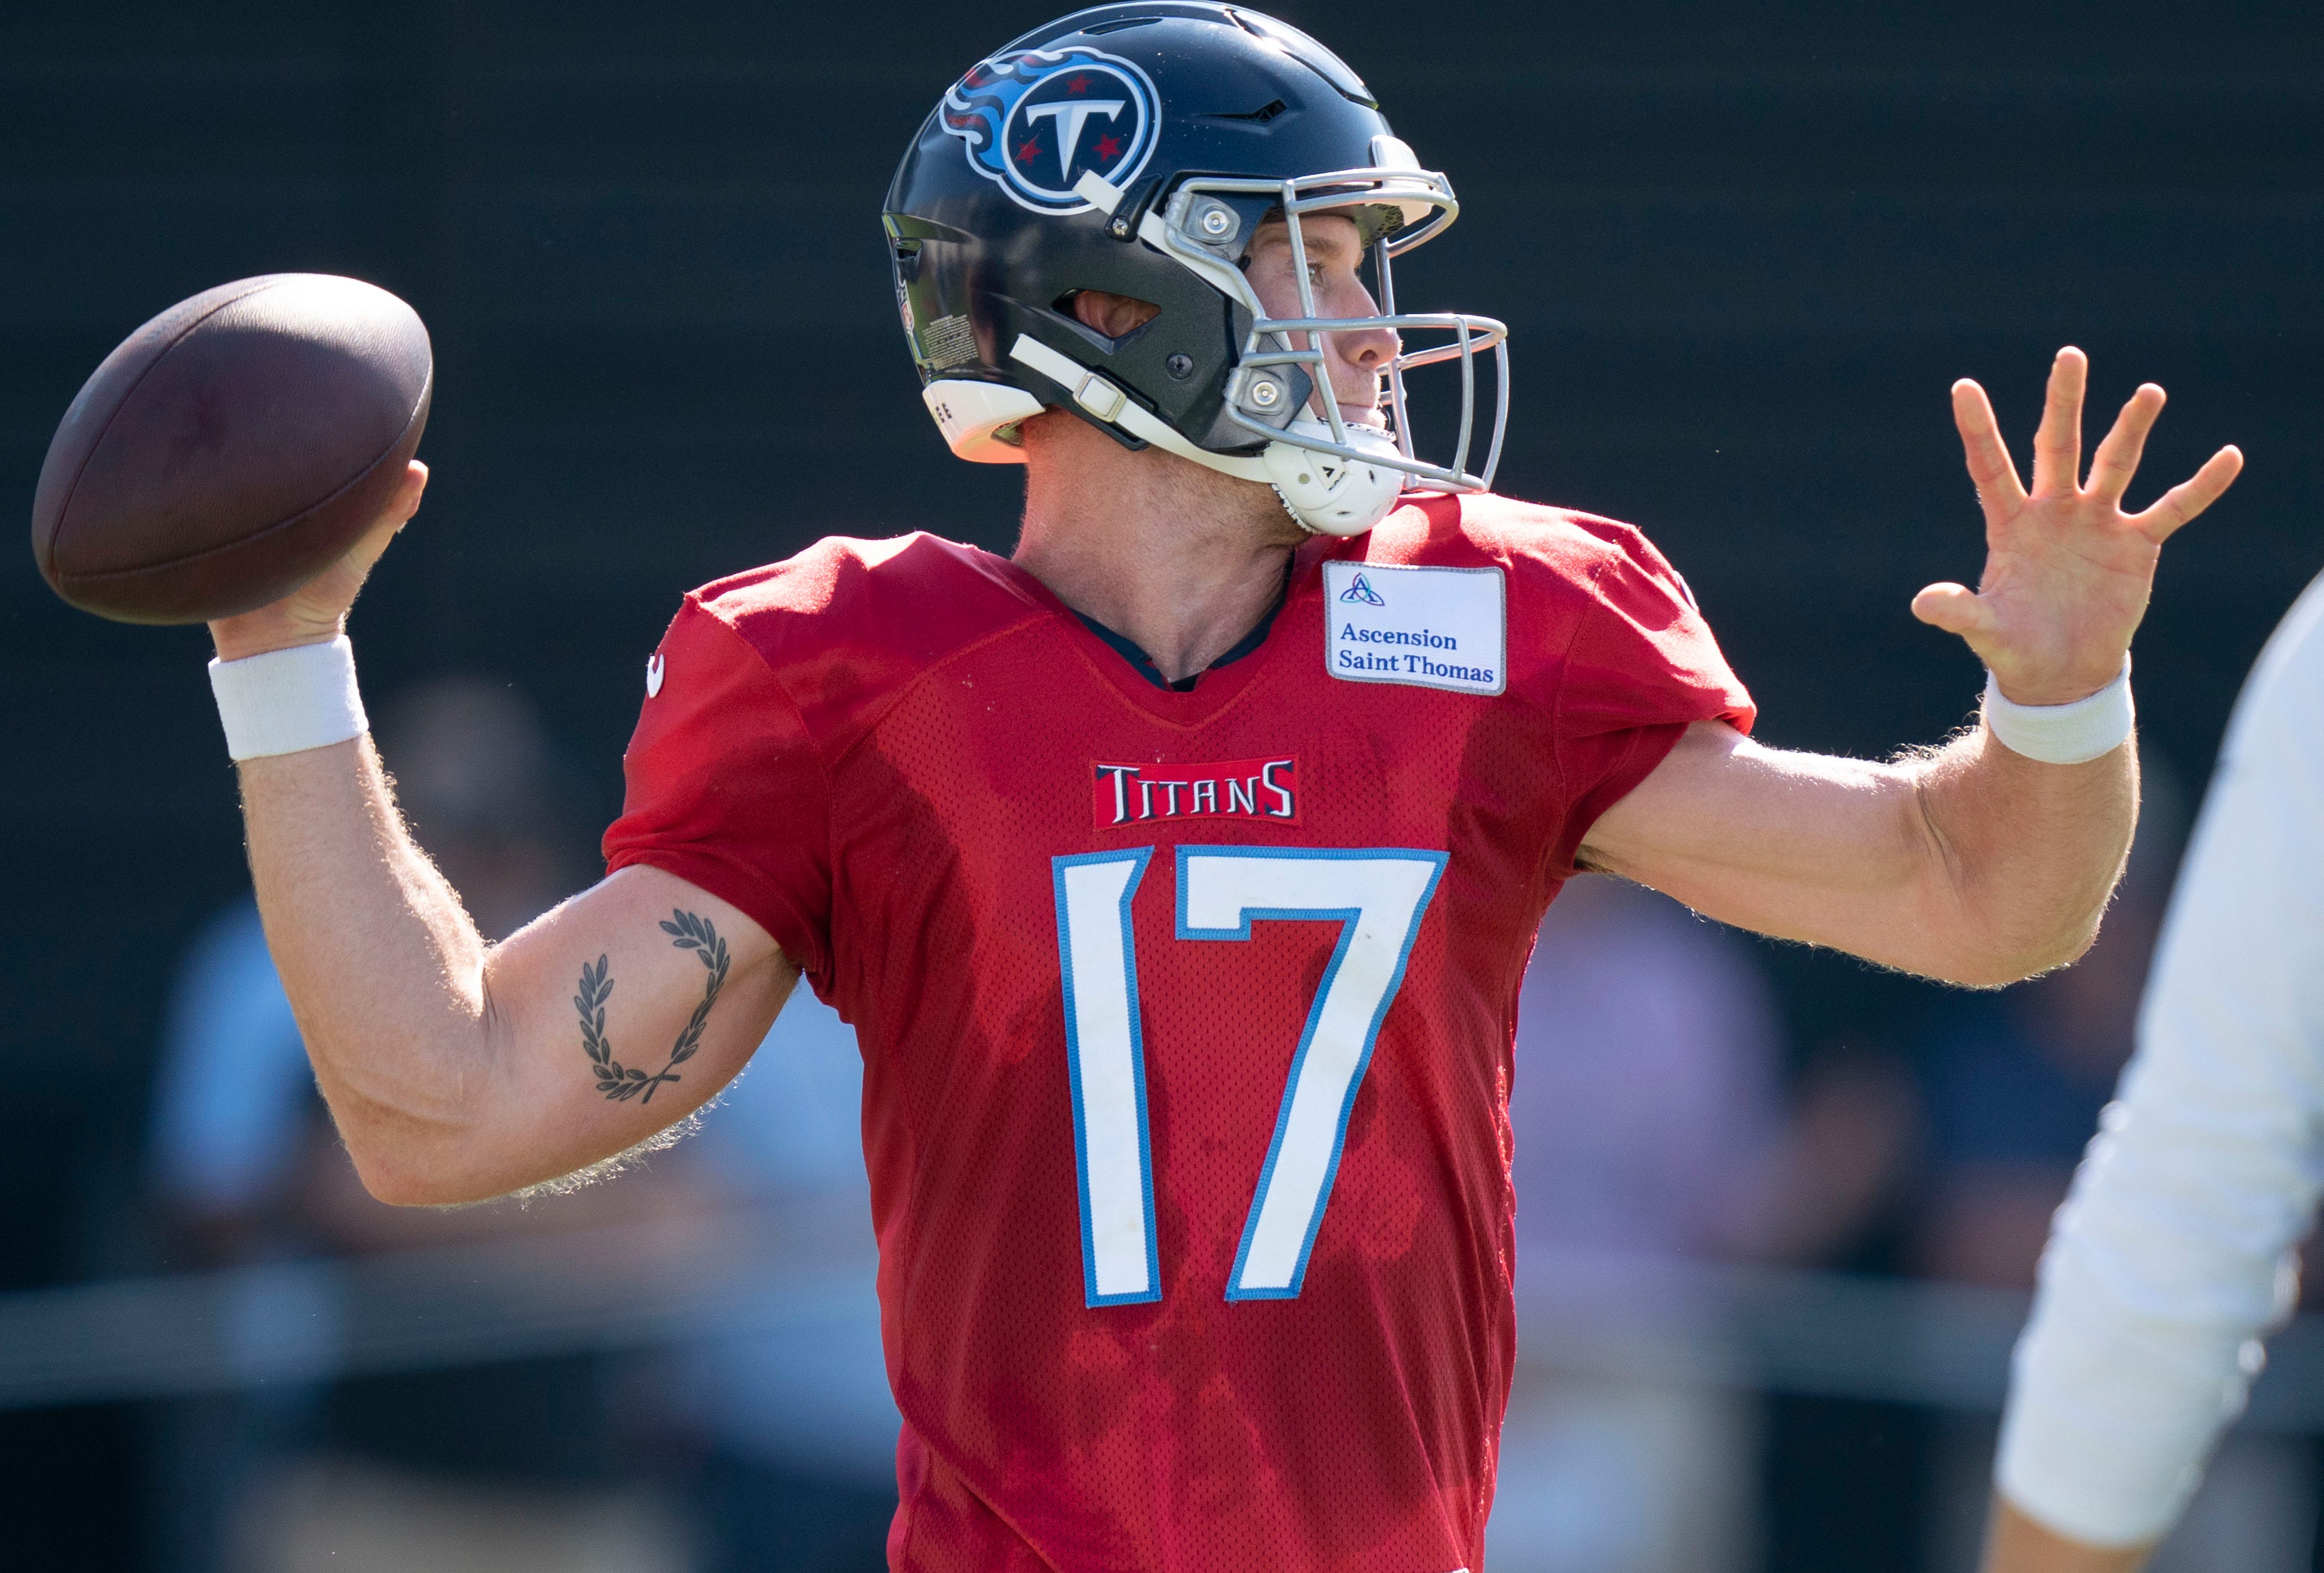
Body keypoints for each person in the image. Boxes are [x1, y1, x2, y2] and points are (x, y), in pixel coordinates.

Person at [186, 6, 2240, 1567]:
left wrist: (2061, 703)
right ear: (1114, 304)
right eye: (1318, 259)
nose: (1374, 322)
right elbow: (445, 1107)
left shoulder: (1490, 629)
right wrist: (282, 658)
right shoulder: (855, 677)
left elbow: (1987, 898)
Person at [1982, 574, 2324, 1573]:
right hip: (2025, 1423)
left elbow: (2197, 1211)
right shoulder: (1987, 1048)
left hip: (2225, 1443)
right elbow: (1965, 1245)